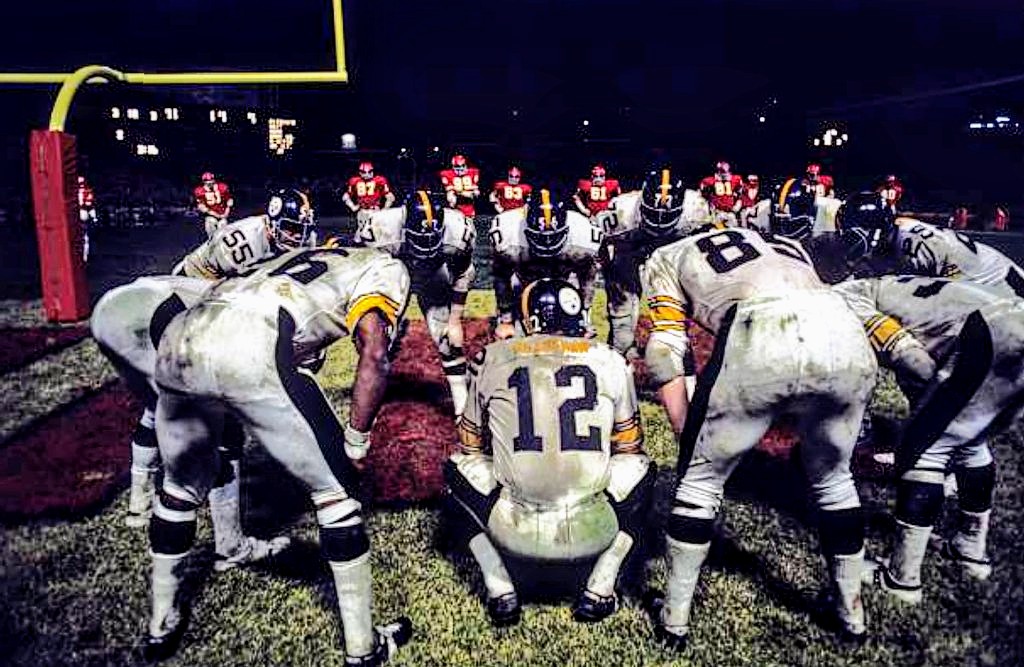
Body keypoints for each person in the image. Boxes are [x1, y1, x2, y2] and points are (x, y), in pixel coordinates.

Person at [144, 245, 413, 664]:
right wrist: (357, 440)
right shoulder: (385, 266)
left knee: (179, 488)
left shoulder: (311, 252)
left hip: (181, 336)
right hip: (249, 342)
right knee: (338, 493)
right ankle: (364, 649)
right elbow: (375, 351)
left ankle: (160, 625)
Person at [641, 223, 877, 647]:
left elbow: (662, 352)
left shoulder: (667, 255)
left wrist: (685, 429)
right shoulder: (783, 243)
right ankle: (852, 616)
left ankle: (674, 620)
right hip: (842, 327)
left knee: (699, 483)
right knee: (835, 481)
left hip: (762, 327)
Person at [446, 278, 655, 625]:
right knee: (644, 468)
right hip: (594, 529)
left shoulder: (492, 357)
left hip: (514, 529)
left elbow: (470, 443)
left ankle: (500, 587)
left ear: (530, 320)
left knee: (455, 467)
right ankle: (600, 588)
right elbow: (630, 445)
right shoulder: (611, 359)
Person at [834, 276, 1024, 600]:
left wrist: (934, 402)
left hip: (992, 333)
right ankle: (970, 549)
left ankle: (902, 579)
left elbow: (911, 358)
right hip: (1008, 320)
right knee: (971, 443)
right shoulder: (884, 287)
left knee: (923, 449)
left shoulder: (842, 299)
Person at [91, 276, 291, 565]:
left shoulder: (230, 286)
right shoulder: (258, 315)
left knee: (158, 408)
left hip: (118, 310)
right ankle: (231, 545)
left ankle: (139, 506)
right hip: (155, 315)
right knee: (223, 429)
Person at [354, 190, 476, 416]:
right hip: (391, 272)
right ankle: (370, 397)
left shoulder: (458, 230)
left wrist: (454, 319)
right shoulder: (379, 229)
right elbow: (360, 269)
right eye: (420, 238)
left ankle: (463, 408)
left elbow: (463, 272)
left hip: (432, 273)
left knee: (448, 339)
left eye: (432, 238)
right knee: (374, 339)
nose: (425, 245)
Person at [839, 191, 1024, 298]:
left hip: (997, 281)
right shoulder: (894, 233)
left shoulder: (913, 245)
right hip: (975, 273)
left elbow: (938, 297)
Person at [490, 189, 602, 339]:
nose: (547, 243)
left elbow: (587, 277)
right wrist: (506, 318)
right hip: (524, 284)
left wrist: (584, 314)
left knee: (574, 338)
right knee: (515, 338)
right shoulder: (509, 233)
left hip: (565, 286)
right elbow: (501, 276)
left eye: (553, 237)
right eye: (541, 238)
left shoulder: (582, 235)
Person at [175, 188, 319, 279]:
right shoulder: (244, 240)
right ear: (273, 223)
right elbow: (233, 290)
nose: (298, 235)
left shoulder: (306, 238)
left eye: (303, 228)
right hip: (197, 278)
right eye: (292, 227)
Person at [193, 171, 234, 237]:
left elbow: (229, 201)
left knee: (223, 233)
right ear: (203, 182)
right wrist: (216, 215)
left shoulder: (222, 187)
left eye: (211, 180)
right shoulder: (200, 191)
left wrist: (225, 213)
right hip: (211, 216)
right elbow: (202, 207)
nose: (209, 182)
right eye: (207, 181)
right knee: (211, 225)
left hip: (222, 215)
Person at [77, 175, 97, 262]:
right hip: (77, 217)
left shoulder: (87, 192)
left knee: (85, 238)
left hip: (83, 216)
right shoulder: (72, 193)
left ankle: (84, 257)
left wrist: (94, 217)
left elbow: (90, 206)